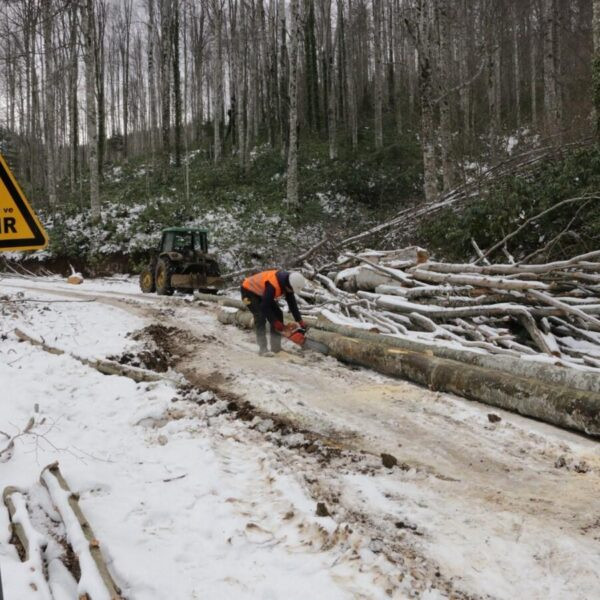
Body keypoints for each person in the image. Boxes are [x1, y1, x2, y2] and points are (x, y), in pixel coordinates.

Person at [241, 269, 307, 356]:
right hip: (247, 292)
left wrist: (299, 320)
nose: (291, 292)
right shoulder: (273, 285)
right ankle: (263, 349)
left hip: (260, 293)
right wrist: (275, 322)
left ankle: (276, 348)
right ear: (288, 285)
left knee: (278, 313)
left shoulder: (288, 283)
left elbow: (292, 303)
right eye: (291, 290)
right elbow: (264, 307)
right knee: (260, 316)